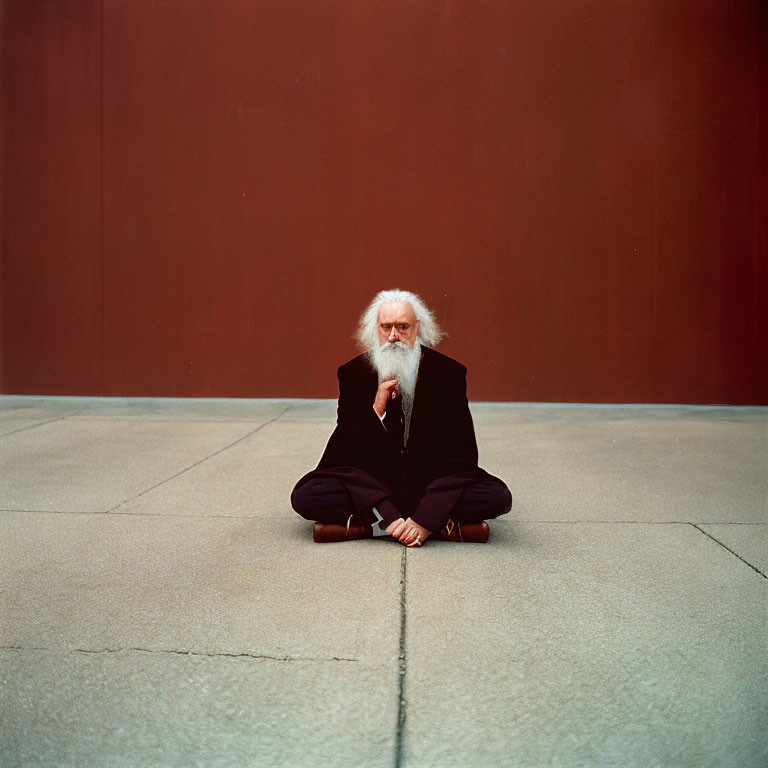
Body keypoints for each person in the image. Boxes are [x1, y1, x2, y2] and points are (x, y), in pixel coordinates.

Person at [291, 288, 512, 547]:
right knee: (306, 496)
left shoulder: (448, 374)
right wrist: (376, 411)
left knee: (498, 496)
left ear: (418, 328)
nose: (394, 336)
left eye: (403, 327)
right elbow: (343, 456)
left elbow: (462, 456)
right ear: (376, 329)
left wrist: (424, 517)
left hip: (428, 486)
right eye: (386, 327)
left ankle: (374, 527)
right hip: (375, 488)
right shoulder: (353, 374)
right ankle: (435, 526)